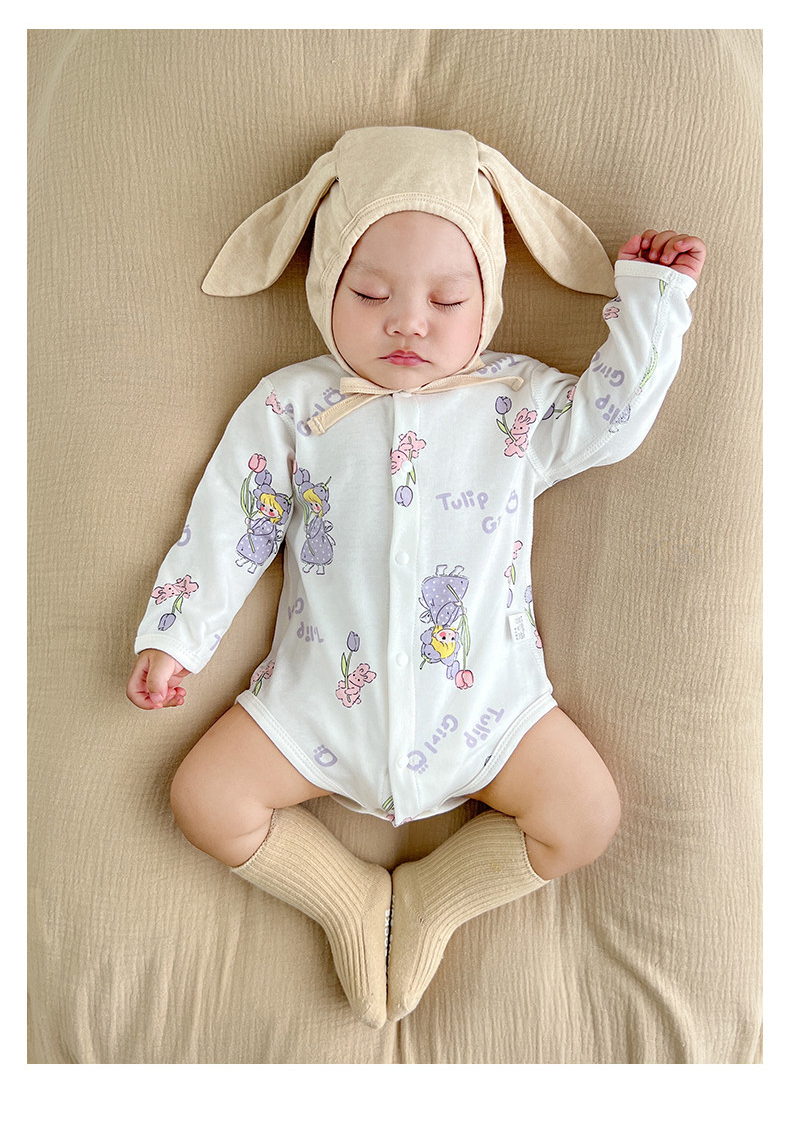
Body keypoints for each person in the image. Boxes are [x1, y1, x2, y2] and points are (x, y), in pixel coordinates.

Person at [126, 127, 706, 1029]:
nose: (408, 321)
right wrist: (176, 636)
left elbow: (614, 417)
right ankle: (348, 899)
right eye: (369, 293)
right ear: (324, 286)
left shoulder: (516, 404)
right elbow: (231, 521)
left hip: (488, 710)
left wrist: (653, 300)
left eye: (446, 298)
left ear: (488, 299)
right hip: (316, 706)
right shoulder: (293, 404)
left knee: (586, 815)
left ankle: (435, 898)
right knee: (203, 797)